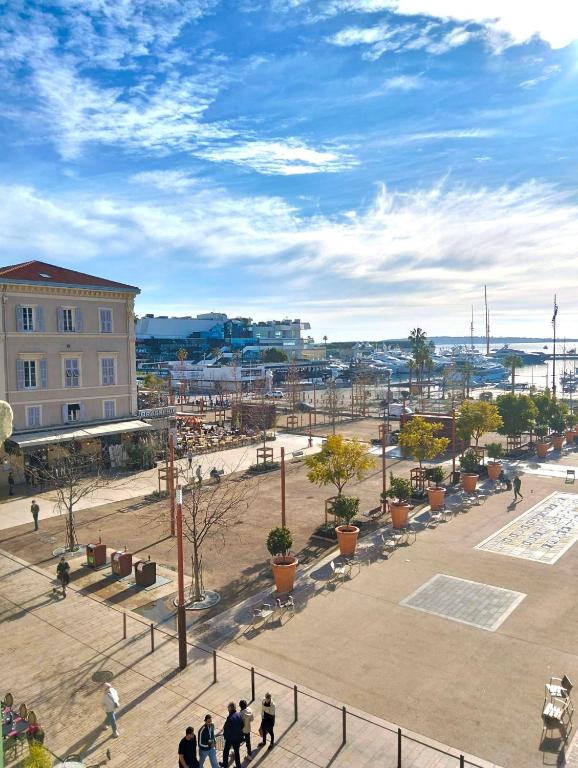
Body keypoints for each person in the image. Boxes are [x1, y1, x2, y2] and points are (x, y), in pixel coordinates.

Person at [222, 702, 243, 768]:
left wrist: (225, 736)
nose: (227, 709)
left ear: (230, 708)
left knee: (226, 752)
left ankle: (225, 765)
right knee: (237, 753)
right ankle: (238, 766)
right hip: (237, 738)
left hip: (230, 739)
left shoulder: (230, 718)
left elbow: (226, 729)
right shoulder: (239, 714)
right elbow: (242, 725)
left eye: (228, 707)